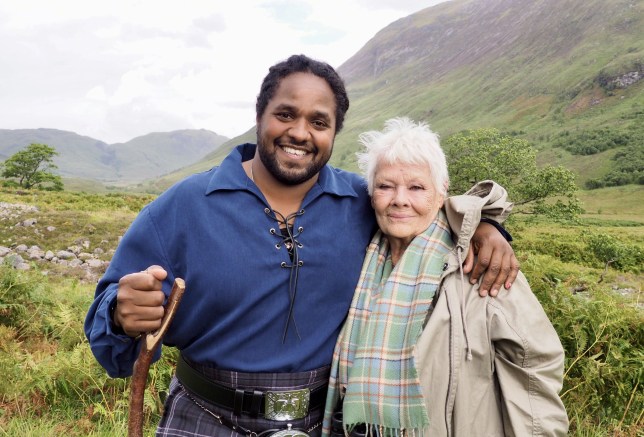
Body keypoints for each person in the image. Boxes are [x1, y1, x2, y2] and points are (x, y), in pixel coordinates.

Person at [84, 55, 520, 437]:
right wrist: (120, 317)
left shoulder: (362, 202)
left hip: (322, 422)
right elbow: (112, 343)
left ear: (334, 133)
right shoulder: (182, 207)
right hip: (203, 418)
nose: (299, 132)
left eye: (318, 122)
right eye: (285, 114)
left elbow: (426, 210)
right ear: (259, 117)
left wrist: (485, 227)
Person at [322, 117, 568, 436]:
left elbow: (534, 366)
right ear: (371, 195)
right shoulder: (358, 257)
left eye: (416, 187)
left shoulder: (481, 265)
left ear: (441, 195)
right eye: (385, 186)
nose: (399, 199)